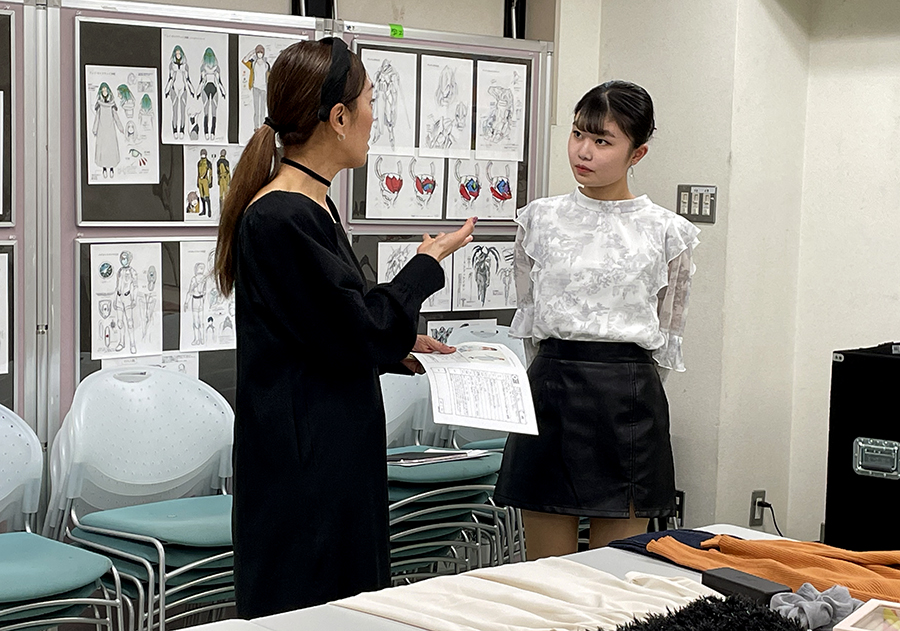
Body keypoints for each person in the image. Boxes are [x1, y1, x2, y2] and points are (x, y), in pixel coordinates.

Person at [214, 37, 475, 618]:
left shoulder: (313, 207)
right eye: (370, 102)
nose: (374, 117)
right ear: (338, 117)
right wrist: (426, 264)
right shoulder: (281, 217)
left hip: (329, 451)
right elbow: (360, 328)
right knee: (314, 610)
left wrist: (397, 347)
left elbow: (329, 331)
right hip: (305, 468)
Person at [493, 81, 700, 560]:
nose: (583, 151)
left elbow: (668, 336)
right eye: (578, 134)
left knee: (616, 570)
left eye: (602, 141)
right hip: (551, 390)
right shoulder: (537, 220)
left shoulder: (669, 232)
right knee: (547, 571)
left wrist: (626, 378)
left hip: (629, 401)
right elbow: (531, 318)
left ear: (637, 153)